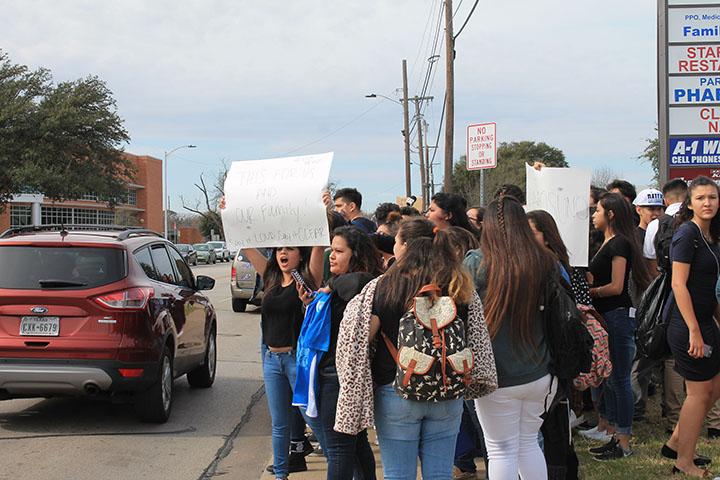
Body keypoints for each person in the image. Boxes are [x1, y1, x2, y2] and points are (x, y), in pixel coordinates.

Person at [334, 217, 497, 480]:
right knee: (440, 474)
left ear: (405, 245)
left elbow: (359, 340)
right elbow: (476, 337)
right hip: (448, 389)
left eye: (396, 241)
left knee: (398, 474)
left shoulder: (384, 286)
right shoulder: (459, 285)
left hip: (397, 390)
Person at [463, 195, 558, 480]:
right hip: (540, 372)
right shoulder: (544, 260)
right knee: (528, 445)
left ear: (487, 227)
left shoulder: (477, 262)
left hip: (496, 376)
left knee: (501, 451)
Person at [298, 226, 383, 480]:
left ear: (355, 254)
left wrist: (331, 285)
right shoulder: (339, 285)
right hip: (333, 374)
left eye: (338, 251)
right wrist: (311, 305)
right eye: (330, 250)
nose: (331, 256)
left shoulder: (360, 283)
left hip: (338, 377)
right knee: (354, 446)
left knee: (338, 450)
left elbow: (357, 281)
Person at [241, 244, 325, 480]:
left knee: (312, 417)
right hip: (272, 361)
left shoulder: (307, 280)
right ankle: (280, 475)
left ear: (301, 255)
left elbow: (318, 246)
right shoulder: (271, 278)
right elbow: (246, 246)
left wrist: (322, 215)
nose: (282, 254)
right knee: (280, 425)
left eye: (289, 249)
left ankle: (340, 462)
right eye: (279, 250)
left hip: (295, 361)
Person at [586, 193, 652, 461]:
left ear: (610, 214)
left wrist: (592, 292)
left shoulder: (620, 244)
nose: (593, 215)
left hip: (618, 316)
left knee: (620, 379)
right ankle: (614, 435)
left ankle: (623, 441)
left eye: (598, 210)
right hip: (608, 317)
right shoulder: (606, 243)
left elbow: (616, 286)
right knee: (612, 380)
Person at [665, 176, 720, 478]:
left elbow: (709, 288)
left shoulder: (710, 235)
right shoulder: (687, 233)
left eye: (712, 197)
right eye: (700, 198)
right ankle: (683, 461)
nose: (707, 203)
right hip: (687, 325)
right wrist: (694, 330)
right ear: (689, 203)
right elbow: (678, 284)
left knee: (713, 387)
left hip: (706, 321)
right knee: (698, 393)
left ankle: (677, 440)